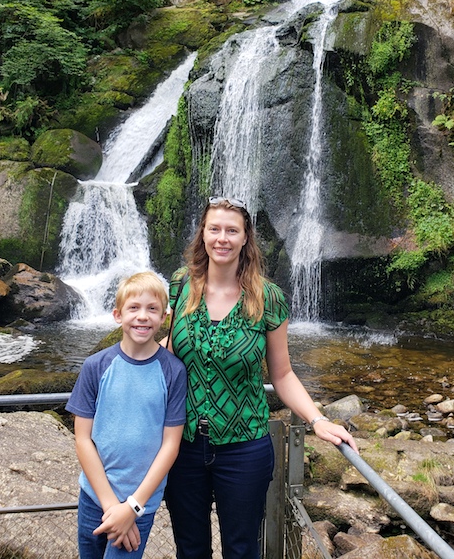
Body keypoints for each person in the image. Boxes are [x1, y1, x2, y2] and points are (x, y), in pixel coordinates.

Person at [163, 196, 358, 559]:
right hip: (182, 444)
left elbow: (282, 374)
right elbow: (171, 352)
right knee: (190, 550)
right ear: (203, 234)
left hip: (244, 448)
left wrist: (317, 420)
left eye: (231, 231)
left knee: (242, 550)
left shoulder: (268, 298)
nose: (222, 238)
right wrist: (124, 361)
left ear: (245, 238)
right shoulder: (181, 285)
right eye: (214, 229)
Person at [66, 271, 187, 559]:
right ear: (118, 315)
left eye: (152, 309)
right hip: (95, 497)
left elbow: (171, 444)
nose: (142, 316)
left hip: (140, 503)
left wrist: (132, 507)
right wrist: (111, 506)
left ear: (164, 318)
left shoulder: (173, 371)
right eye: (134, 308)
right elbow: (82, 439)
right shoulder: (95, 366)